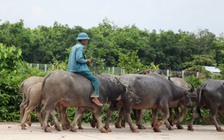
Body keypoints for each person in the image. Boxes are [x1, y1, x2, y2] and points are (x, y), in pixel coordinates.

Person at [67, 32, 103, 106]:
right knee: (95, 79)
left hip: (71, 68)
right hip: (78, 69)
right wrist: (87, 61)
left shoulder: (74, 47)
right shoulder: (80, 47)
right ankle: (95, 97)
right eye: (86, 40)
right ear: (83, 40)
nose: (87, 41)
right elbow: (79, 59)